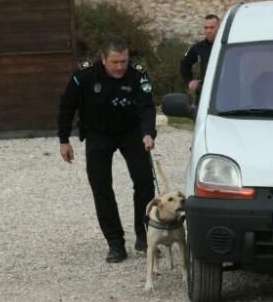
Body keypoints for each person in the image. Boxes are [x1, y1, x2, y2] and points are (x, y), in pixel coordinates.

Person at [57, 39, 157, 263]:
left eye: (124, 61)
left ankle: (144, 234)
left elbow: (147, 106)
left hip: (131, 133)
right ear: (103, 59)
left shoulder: (137, 75)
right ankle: (115, 243)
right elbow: (66, 106)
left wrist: (148, 132)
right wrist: (64, 140)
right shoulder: (85, 76)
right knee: (101, 188)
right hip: (98, 135)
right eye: (115, 62)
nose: (120, 67)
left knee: (144, 182)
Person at [180, 13, 220, 92]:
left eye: (212, 27)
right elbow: (184, 64)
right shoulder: (198, 47)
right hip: (205, 93)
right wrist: (189, 82)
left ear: (219, 28)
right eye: (206, 28)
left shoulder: (225, 46)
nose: (208, 31)